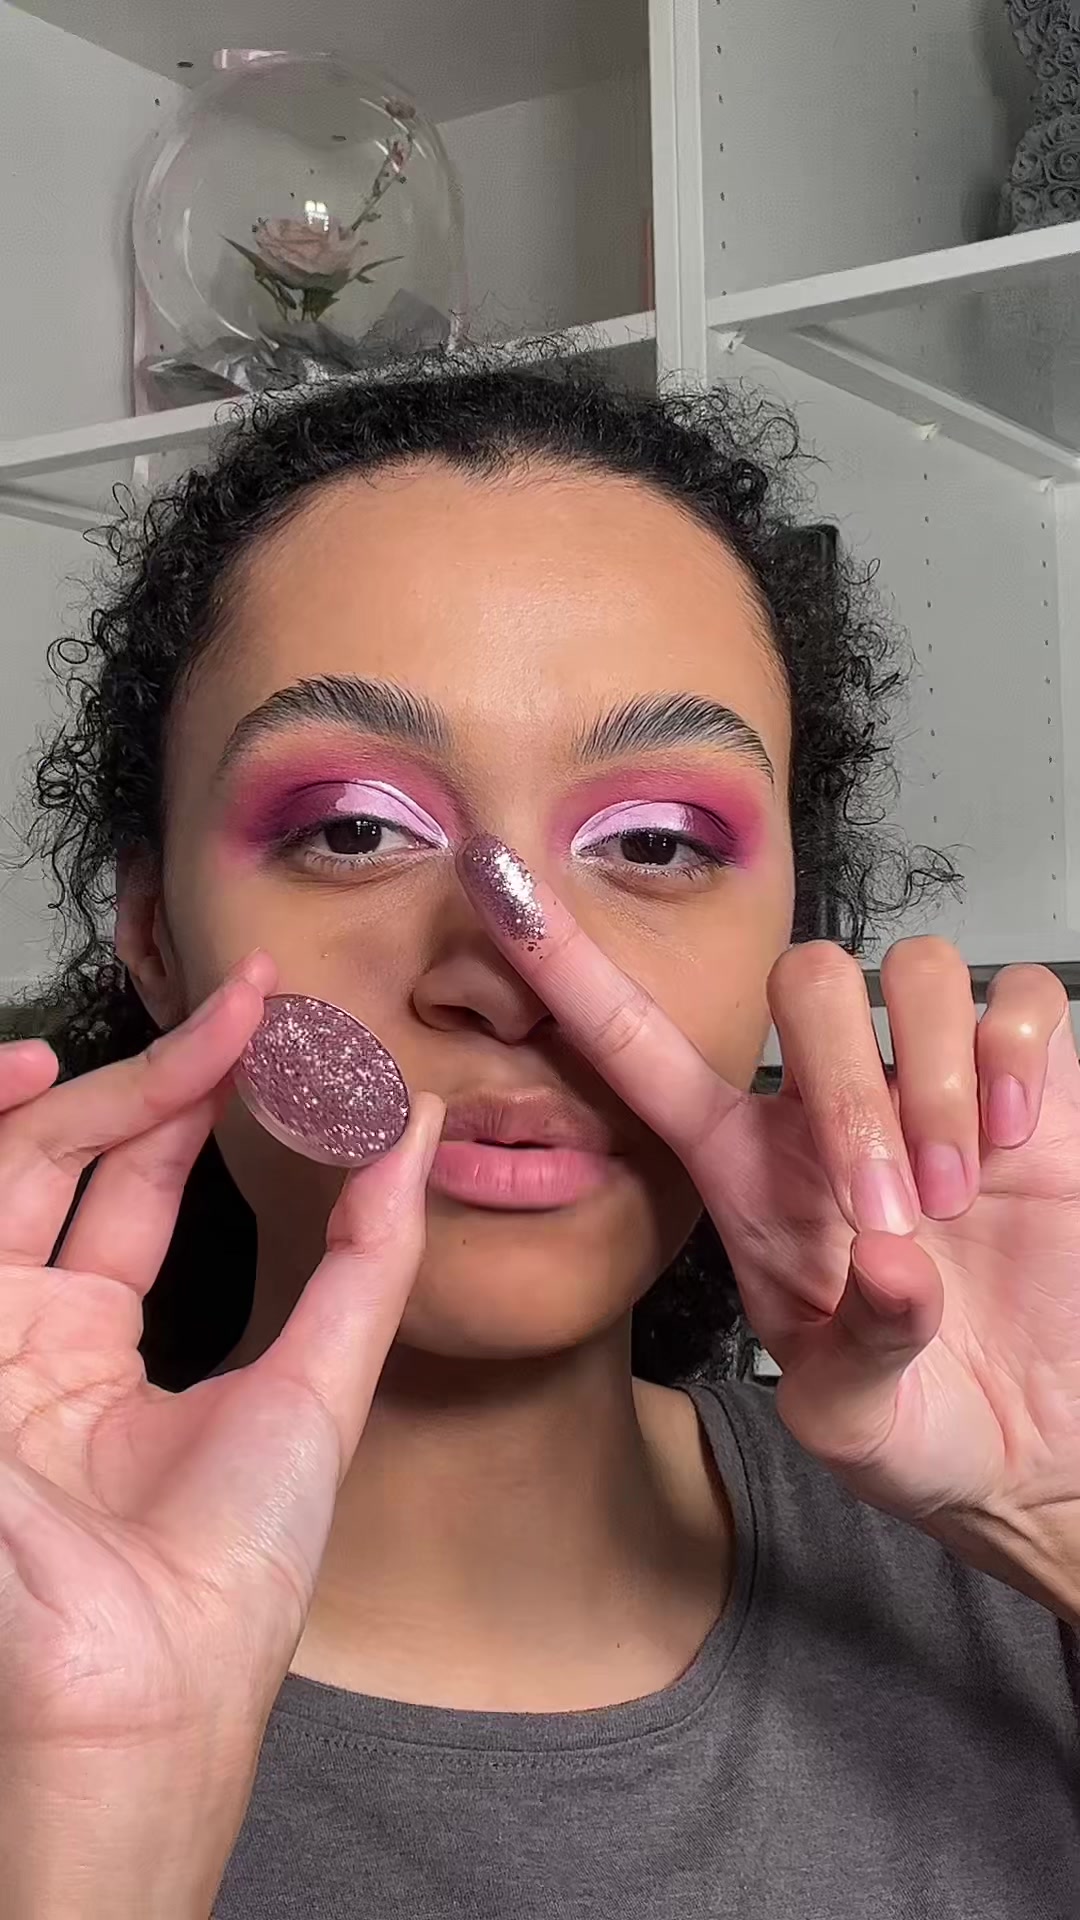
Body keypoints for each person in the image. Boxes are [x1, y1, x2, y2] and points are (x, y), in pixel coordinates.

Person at [3, 347, 1080, 1920]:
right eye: (352, 830)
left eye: (656, 843)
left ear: (793, 933)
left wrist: (1055, 1525)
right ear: (155, 935)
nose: (514, 983)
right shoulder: (33, 1653)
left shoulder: (1009, 1568)